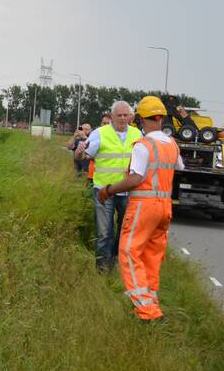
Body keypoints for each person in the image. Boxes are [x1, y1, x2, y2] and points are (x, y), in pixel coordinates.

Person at [98, 96, 183, 321]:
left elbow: (135, 179)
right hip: (165, 208)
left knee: (127, 252)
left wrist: (109, 190)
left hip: (144, 206)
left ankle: (147, 312)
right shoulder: (171, 144)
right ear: (162, 117)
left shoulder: (143, 146)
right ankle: (151, 302)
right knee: (151, 255)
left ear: (140, 120)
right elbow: (179, 166)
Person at [76, 101, 142, 272]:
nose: (122, 118)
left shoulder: (137, 134)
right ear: (111, 116)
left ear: (130, 116)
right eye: (118, 115)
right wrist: (79, 150)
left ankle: (115, 261)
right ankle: (102, 270)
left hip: (127, 191)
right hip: (103, 190)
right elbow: (82, 156)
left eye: (125, 115)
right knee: (104, 232)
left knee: (124, 230)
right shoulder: (100, 133)